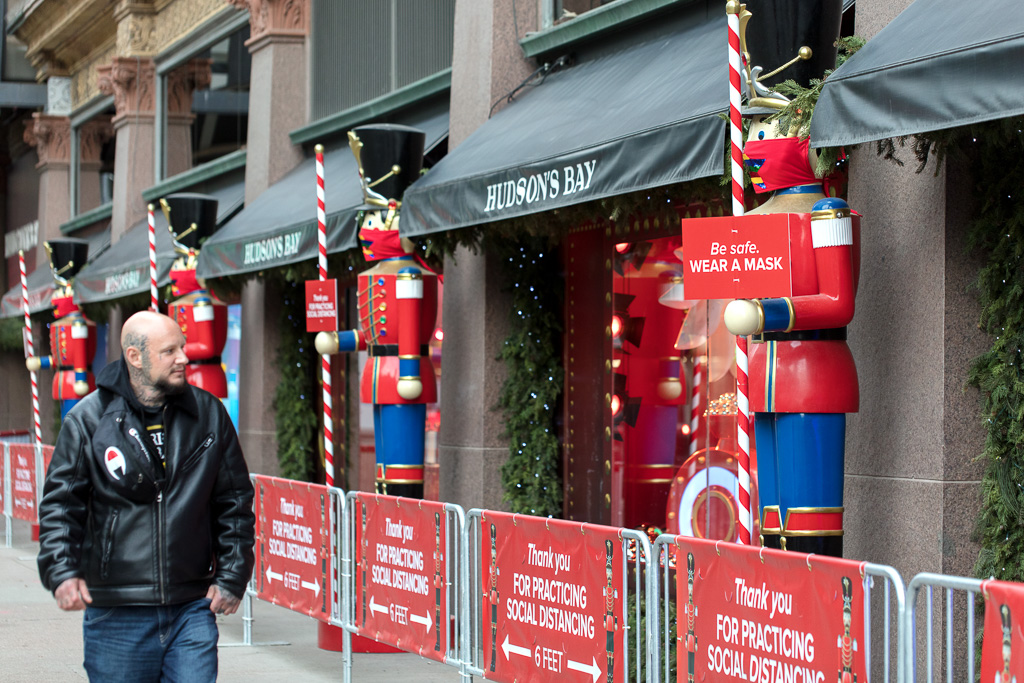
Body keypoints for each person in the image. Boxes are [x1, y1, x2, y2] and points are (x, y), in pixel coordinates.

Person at [37, 310, 255, 682]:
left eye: (183, 347)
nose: (184, 358)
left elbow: (234, 502)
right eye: (170, 351)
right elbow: (61, 506)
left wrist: (233, 577)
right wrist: (62, 572)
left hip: (192, 607)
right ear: (135, 358)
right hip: (115, 613)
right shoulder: (88, 420)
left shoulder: (209, 414)